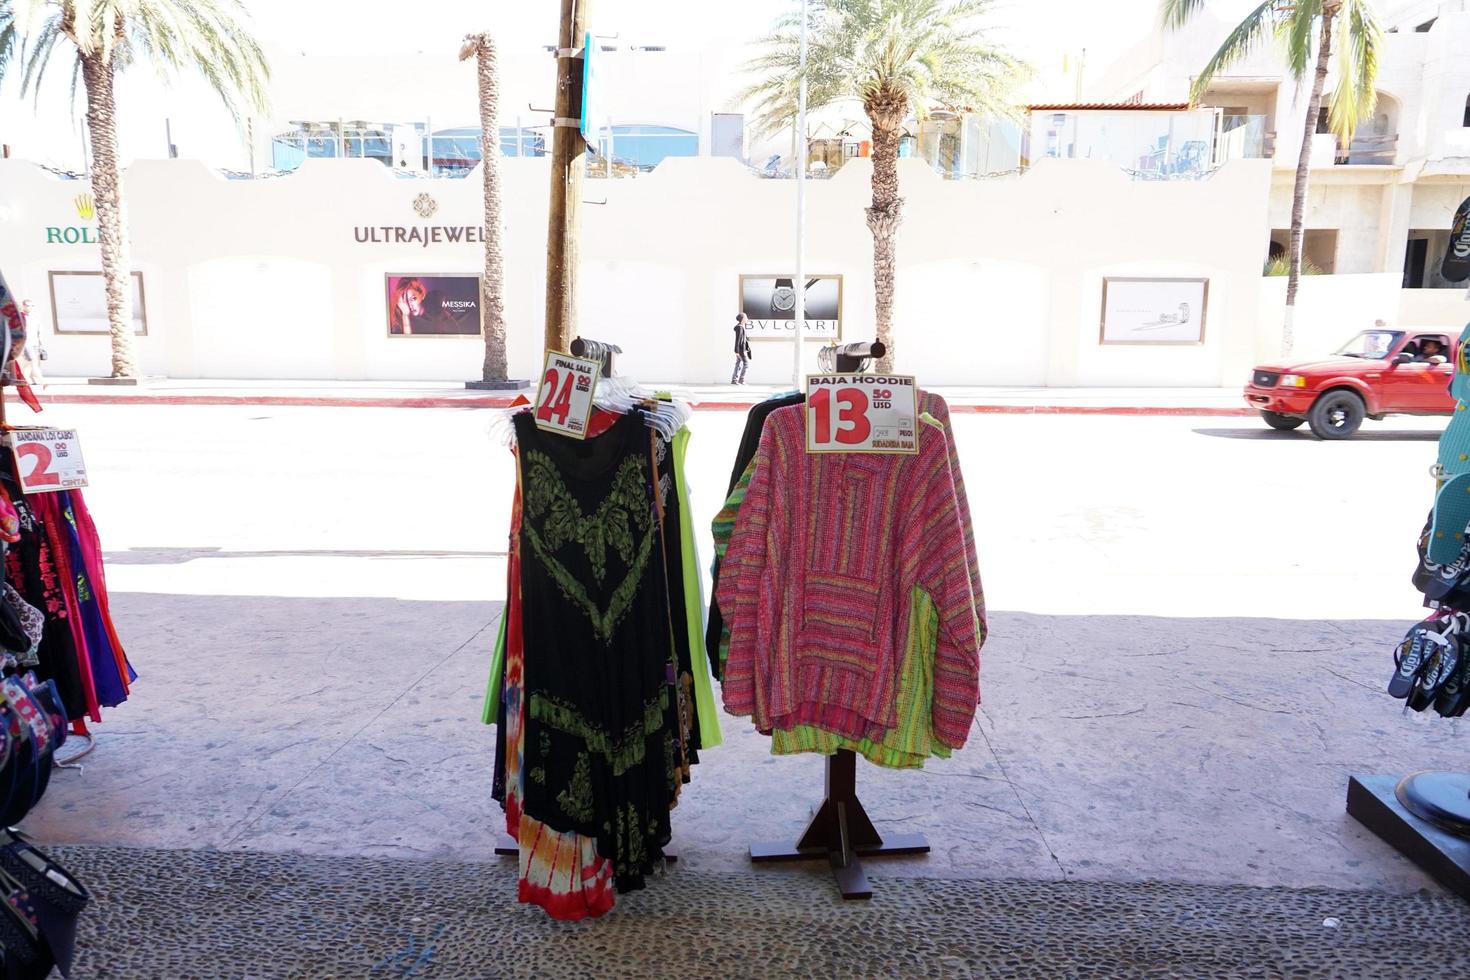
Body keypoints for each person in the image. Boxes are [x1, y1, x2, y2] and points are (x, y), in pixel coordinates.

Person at [731, 312, 752, 384]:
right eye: (746, 317)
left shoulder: (741, 327)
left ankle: (734, 379)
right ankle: (741, 379)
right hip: (740, 350)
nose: (747, 319)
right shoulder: (739, 328)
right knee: (746, 364)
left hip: (741, 349)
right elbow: (738, 340)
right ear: (742, 319)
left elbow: (743, 339)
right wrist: (736, 351)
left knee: (738, 363)